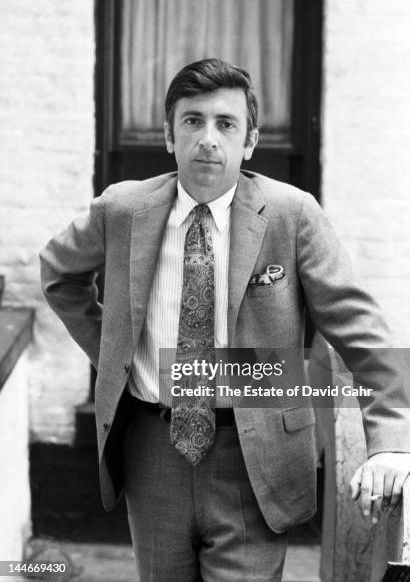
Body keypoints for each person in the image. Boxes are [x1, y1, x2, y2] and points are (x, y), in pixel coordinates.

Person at [40, 58, 410, 581]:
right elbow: (59, 274)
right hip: (153, 450)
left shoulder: (292, 214)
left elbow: (362, 331)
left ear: (250, 141)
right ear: (169, 135)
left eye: (225, 124)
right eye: (192, 121)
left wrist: (391, 439)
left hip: (256, 459)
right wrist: (114, 354)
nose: (208, 138)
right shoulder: (122, 210)